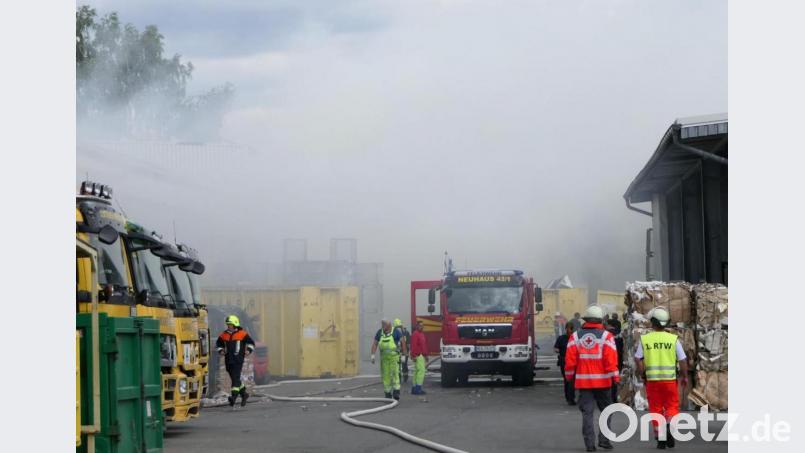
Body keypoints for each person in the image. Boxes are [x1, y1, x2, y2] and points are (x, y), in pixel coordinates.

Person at [565, 305, 619, 452]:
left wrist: (569, 376)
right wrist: (615, 377)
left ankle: (589, 445)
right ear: (601, 319)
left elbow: (570, 360)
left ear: (586, 319)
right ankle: (604, 440)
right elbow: (610, 360)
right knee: (607, 411)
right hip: (603, 381)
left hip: (584, 382)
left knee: (587, 413)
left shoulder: (575, 336)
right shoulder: (607, 336)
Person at [635, 307, 689, 449]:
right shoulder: (673, 339)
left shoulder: (645, 339)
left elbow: (638, 358)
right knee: (671, 406)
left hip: (652, 382)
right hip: (670, 381)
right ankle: (670, 426)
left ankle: (660, 438)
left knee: (656, 409)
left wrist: (642, 373)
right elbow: (683, 360)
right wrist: (684, 376)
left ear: (653, 322)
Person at [216, 315, 255, 407]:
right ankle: (244, 394)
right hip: (228, 360)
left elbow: (251, 343)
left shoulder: (242, 334)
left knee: (235, 379)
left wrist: (248, 350)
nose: (228, 326)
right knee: (235, 379)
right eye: (227, 324)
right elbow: (219, 343)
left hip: (238, 360)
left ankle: (233, 397)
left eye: (230, 324)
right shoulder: (224, 334)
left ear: (235, 324)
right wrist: (221, 350)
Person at [370, 319, 407, 400]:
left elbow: (403, 342)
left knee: (395, 374)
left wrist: (404, 354)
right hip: (384, 358)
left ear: (389, 325)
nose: (383, 326)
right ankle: (387, 393)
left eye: (384, 325)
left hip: (394, 357)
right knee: (385, 375)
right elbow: (375, 343)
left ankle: (396, 391)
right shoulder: (380, 332)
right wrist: (372, 355)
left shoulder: (396, 332)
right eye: (382, 325)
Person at [553, 322, 576, 405]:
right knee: (567, 380)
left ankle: (571, 398)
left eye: (571, 328)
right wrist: (560, 351)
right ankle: (569, 398)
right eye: (568, 328)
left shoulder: (575, 338)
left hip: (573, 361)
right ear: (566, 329)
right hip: (564, 360)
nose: (569, 330)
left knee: (573, 381)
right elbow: (556, 348)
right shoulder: (561, 338)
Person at [606, 319, 625, 404]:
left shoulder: (605, 333)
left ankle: (609, 397)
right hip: (619, 358)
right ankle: (615, 397)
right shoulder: (621, 333)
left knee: (608, 379)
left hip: (609, 358)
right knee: (615, 379)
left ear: (610, 325)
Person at [409, 320, 428, 395]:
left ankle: (414, 388)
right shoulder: (415, 334)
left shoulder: (421, 334)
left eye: (422, 325)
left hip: (421, 355)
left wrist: (426, 355)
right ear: (417, 326)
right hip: (418, 355)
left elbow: (424, 346)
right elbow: (413, 346)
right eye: (420, 325)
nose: (422, 327)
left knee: (416, 371)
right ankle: (418, 388)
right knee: (421, 371)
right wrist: (413, 355)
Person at [394, 319, 411, 383]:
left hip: (403, 352)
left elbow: (408, 343)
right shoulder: (395, 333)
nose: (398, 328)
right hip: (398, 352)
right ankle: (399, 378)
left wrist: (407, 353)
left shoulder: (406, 333)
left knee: (403, 365)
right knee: (398, 365)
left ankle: (405, 377)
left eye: (398, 327)